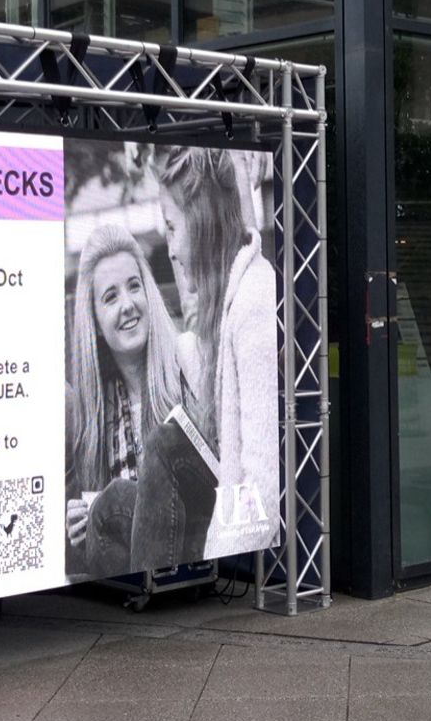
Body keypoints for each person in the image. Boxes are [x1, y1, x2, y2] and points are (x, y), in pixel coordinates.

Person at [151, 146, 279, 559]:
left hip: (242, 529)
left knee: (163, 447)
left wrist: (214, 553)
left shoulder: (253, 303)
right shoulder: (226, 304)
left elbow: (262, 495)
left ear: (201, 222)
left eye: (172, 228)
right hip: (228, 511)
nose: (169, 249)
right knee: (112, 506)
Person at [62, 225, 188, 578]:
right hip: (124, 576)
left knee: (117, 498)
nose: (128, 305)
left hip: (188, 559)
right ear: (96, 324)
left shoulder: (186, 370)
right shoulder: (91, 423)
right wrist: (82, 525)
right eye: (111, 296)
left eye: (134, 286)